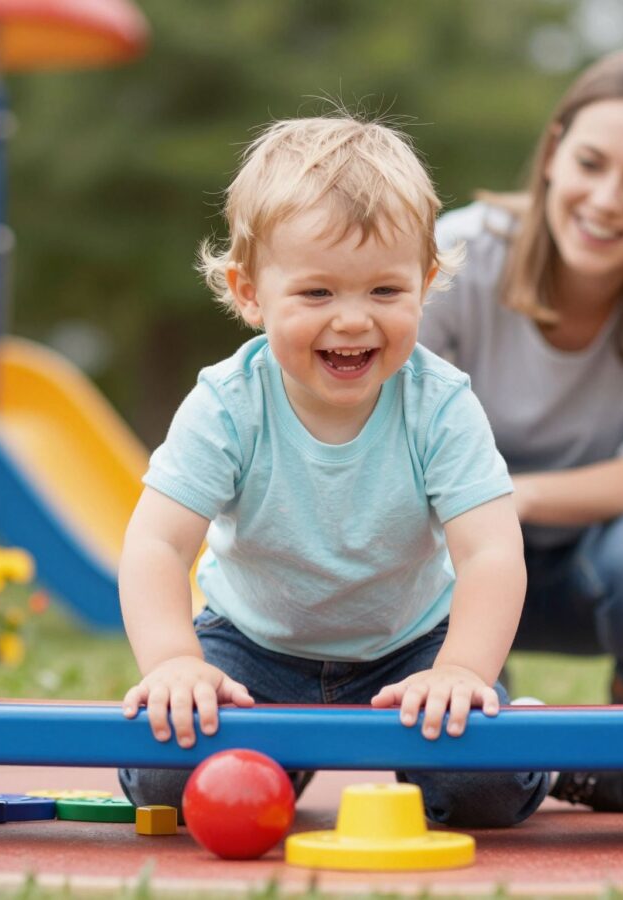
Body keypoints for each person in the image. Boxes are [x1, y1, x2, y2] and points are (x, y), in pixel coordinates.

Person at [117, 115, 549, 828]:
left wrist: (462, 670)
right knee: (168, 776)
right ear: (250, 292)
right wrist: (172, 661)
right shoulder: (227, 403)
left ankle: (525, 730)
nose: (353, 321)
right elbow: (157, 543)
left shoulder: (440, 404)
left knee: (484, 790)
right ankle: (271, 758)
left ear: (427, 283)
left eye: (384, 292)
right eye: (317, 294)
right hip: (255, 645)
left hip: (413, 645)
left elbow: (492, 551)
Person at [418, 47, 623, 813]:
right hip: (453, 567)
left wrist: (512, 496)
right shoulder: (456, 255)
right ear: (553, 152)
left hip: (599, 567)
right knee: (474, 781)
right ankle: (486, 686)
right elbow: (391, 437)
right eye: (591, 164)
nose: (606, 201)